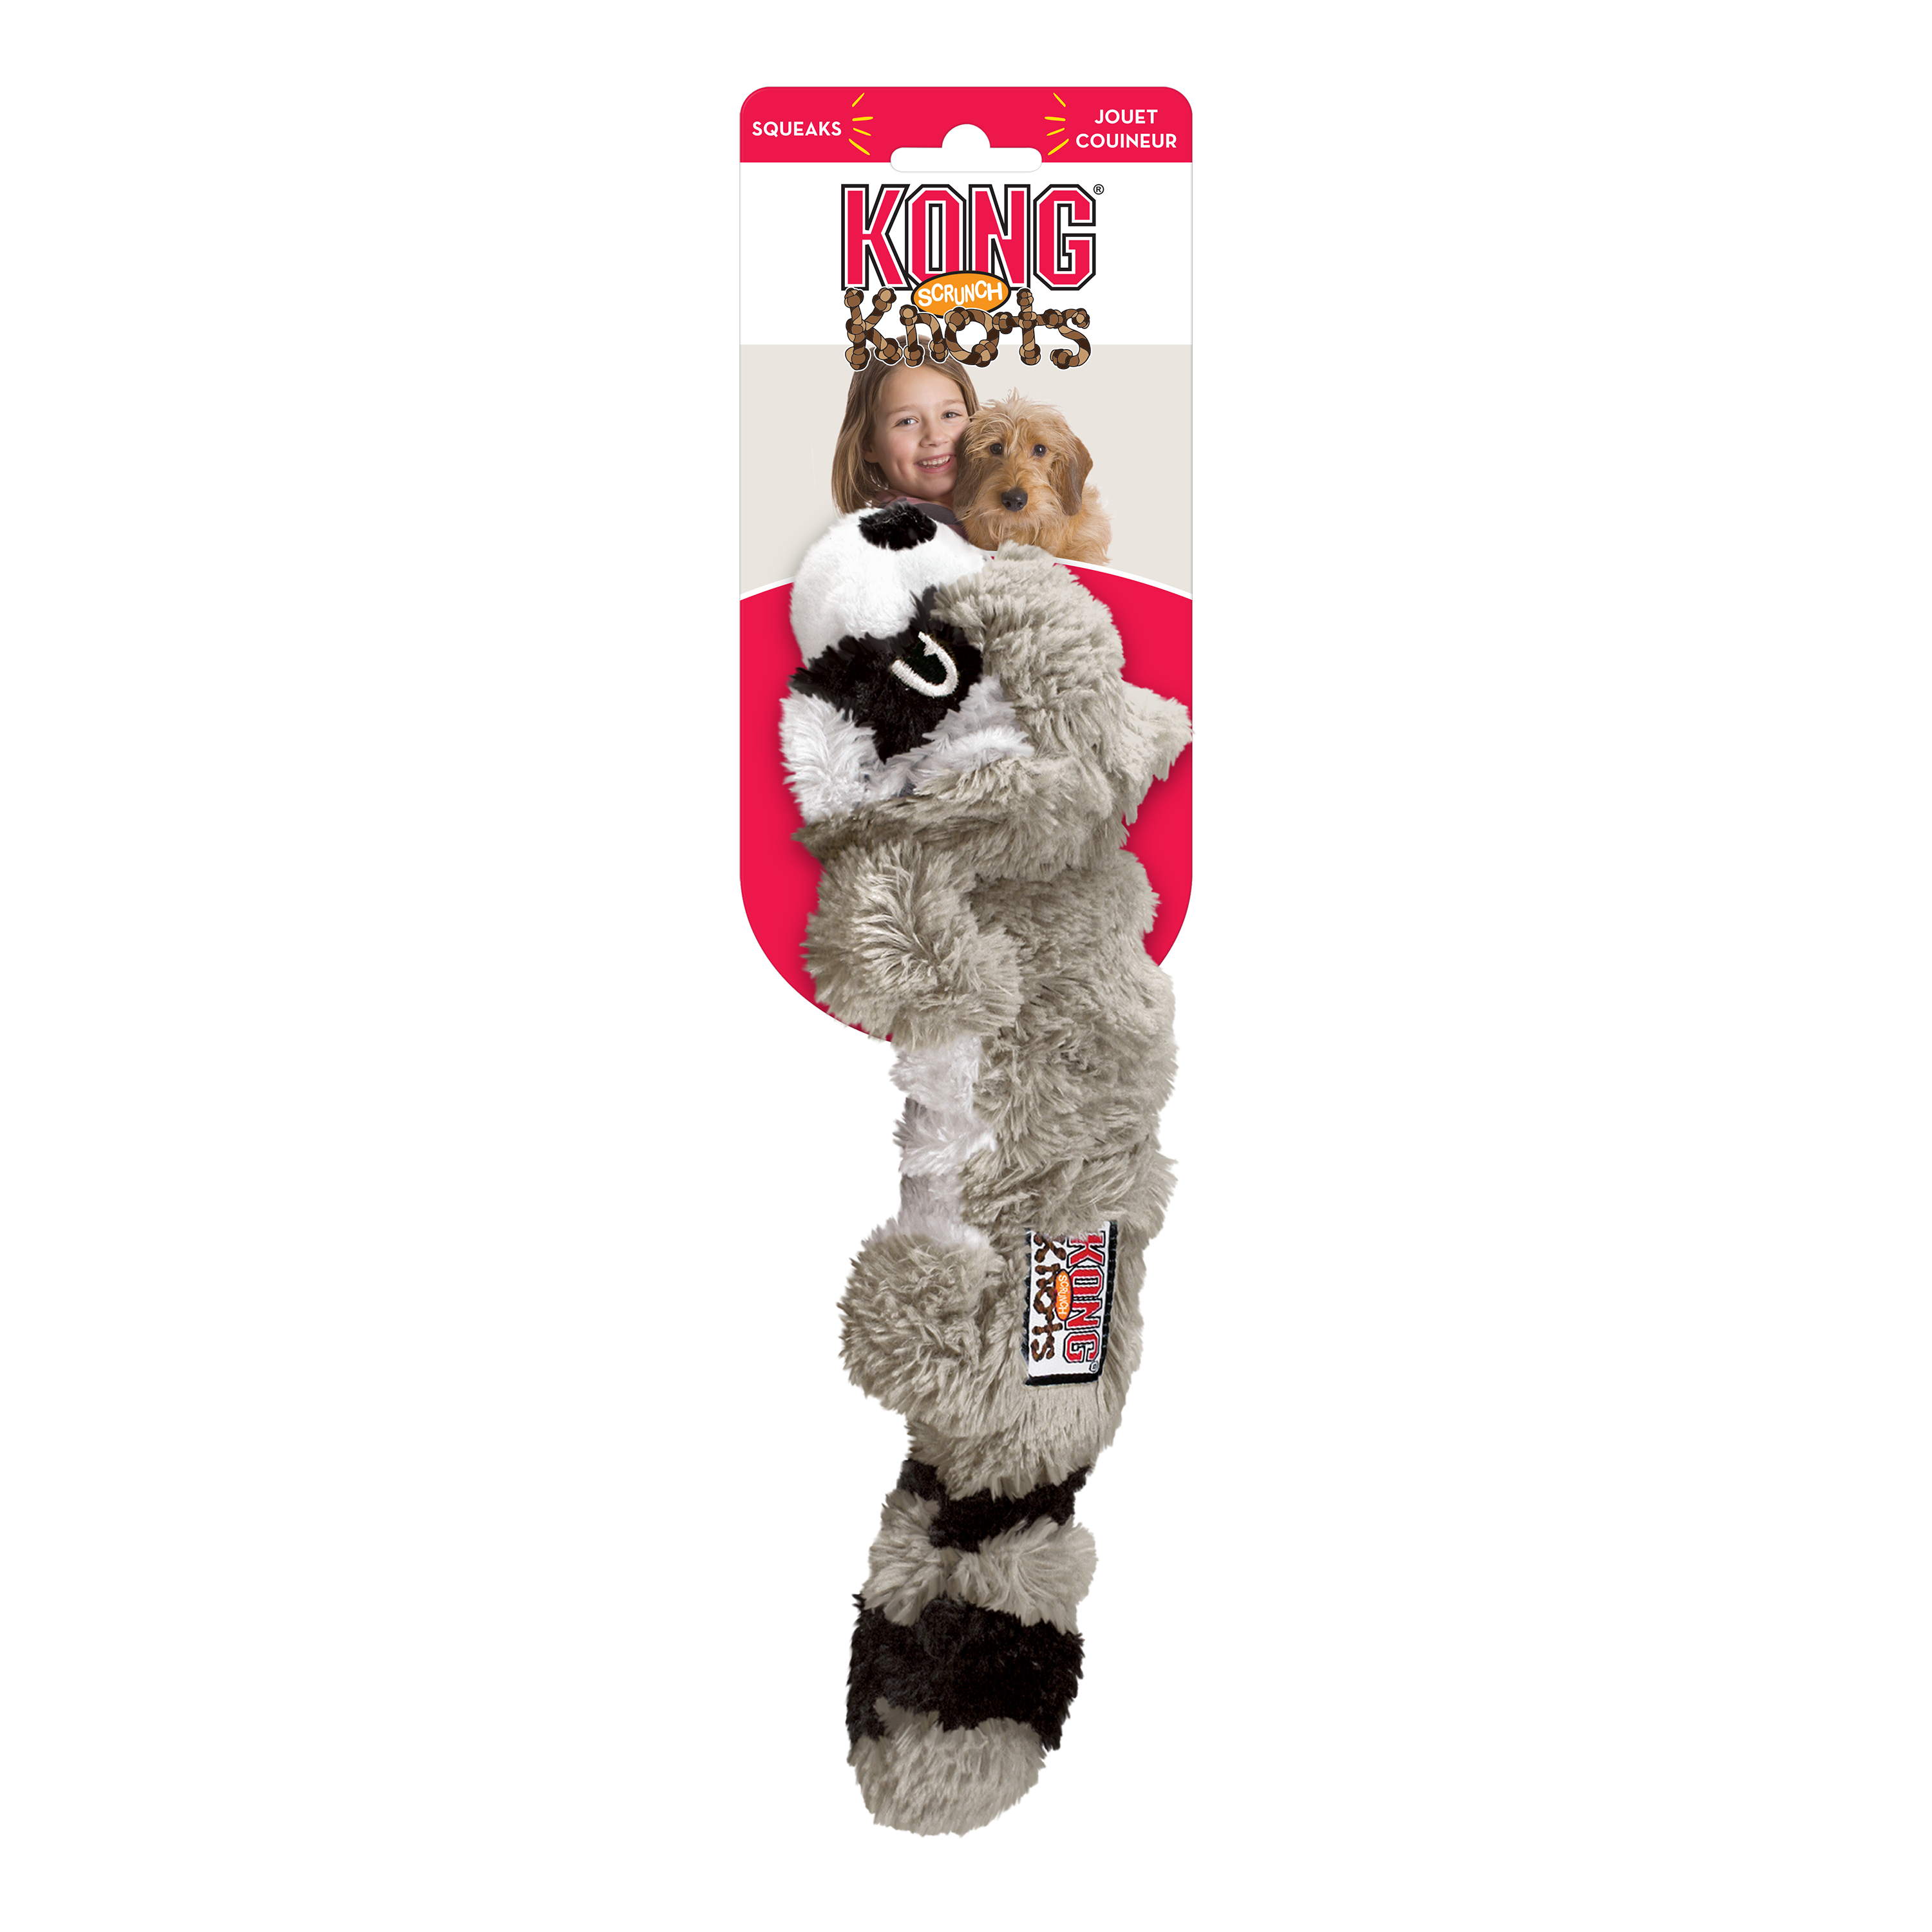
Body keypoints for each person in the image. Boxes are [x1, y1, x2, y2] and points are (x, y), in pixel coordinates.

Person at [829, 354, 981, 534]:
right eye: (907, 421)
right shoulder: (912, 527)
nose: (935, 437)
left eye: (949, 415)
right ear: (867, 445)